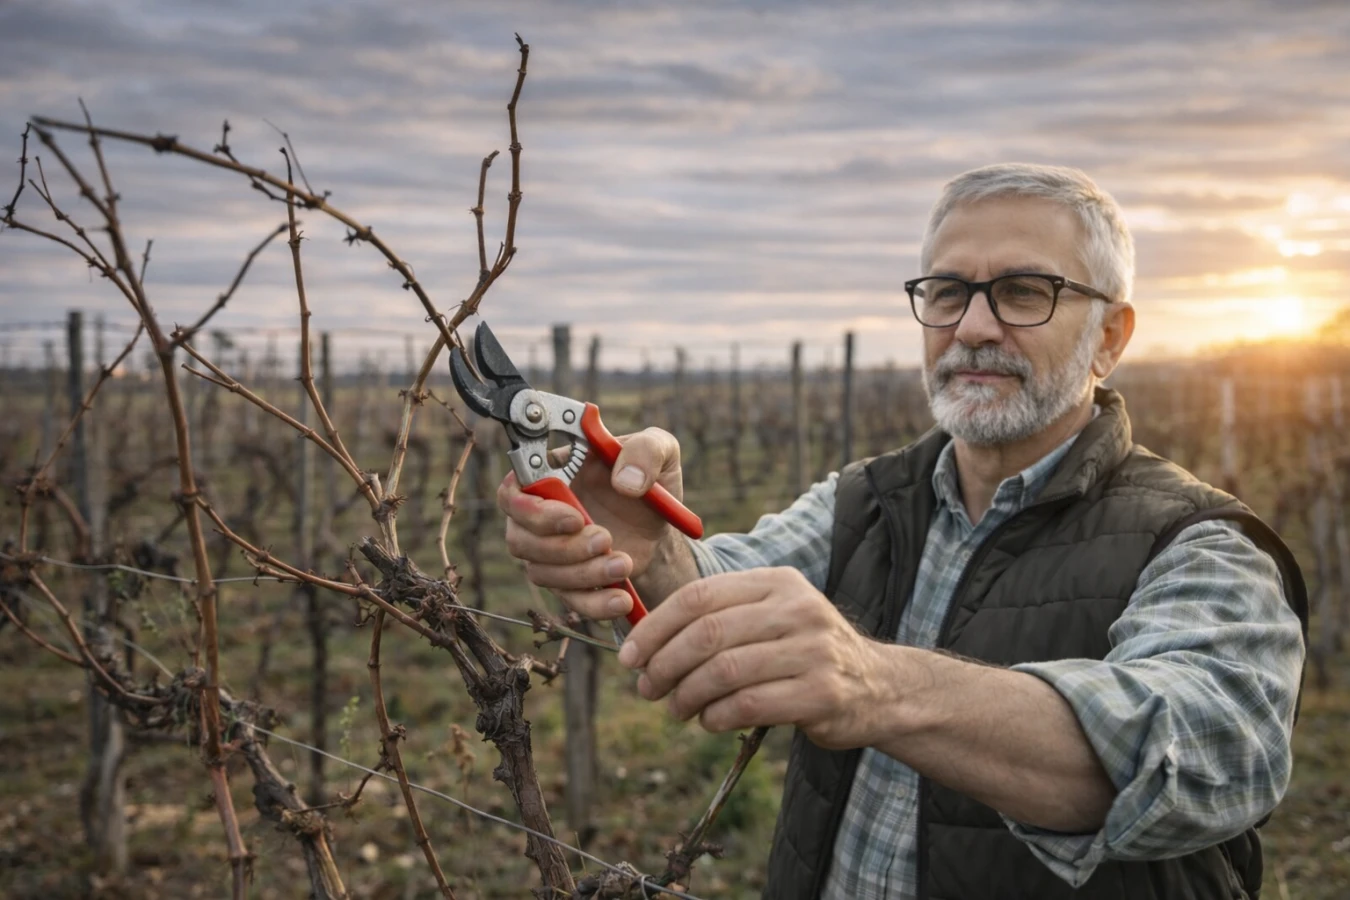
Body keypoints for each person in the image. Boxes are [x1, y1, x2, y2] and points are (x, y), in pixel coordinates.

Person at [496, 163, 1308, 899]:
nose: (974, 327)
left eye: (1025, 292)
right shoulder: (866, 499)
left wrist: (878, 685)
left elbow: (1216, 752)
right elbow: (718, 594)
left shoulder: (1202, 543)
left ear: (1110, 337)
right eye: (948, 292)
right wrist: (650, 550)